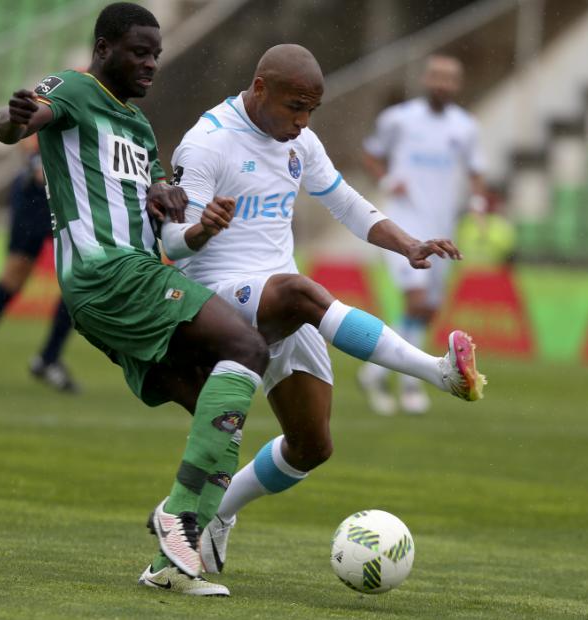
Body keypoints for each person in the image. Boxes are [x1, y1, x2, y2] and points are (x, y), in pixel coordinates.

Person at [158, 44, 487, 576]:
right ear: (260, 88)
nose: (303, 121)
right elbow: (170, 241)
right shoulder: (208, 143)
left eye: (312, 109)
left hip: (277, 298)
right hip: (217, 297)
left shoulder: (301, 142)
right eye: (295, 107)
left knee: (311, 446)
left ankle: (212, 513)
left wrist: (407, 244)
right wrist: (201, 229)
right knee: (303, 292)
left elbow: (345, 201)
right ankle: (437, 373)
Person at [0, 2, 268, 597]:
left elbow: (159, 196)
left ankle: (171, 562)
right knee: (246, 346)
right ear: (103, 49)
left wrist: (172, 199)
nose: (150, 64)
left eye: (156, 55)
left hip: (127, 278)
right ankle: (182, 519)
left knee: (215, 408)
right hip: (108, 272)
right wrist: (13, 122)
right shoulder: (74, 89)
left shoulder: (140, 128)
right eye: (139, 52)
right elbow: (20, 123)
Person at [357, 54, 490, 415]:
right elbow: (371, 154)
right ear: (425, 79)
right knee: (415, 301)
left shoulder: (464, 127)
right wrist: (386, 180)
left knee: (429, 311)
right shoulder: (399, 119)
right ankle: (412, 384)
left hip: (442, 227)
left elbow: (476, 170)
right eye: (437, 76)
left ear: (457, 85)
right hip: (403, 223)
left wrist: (478, 203)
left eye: (449, 79)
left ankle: (373, 371)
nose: (442, 84)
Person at [0, 140, 79, 393]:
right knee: (13, 278)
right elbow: (29, 134)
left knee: (78, 281)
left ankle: (49, 358)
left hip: (72, 192)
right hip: (38, 193)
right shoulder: (51, 100)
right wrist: (38, 164)